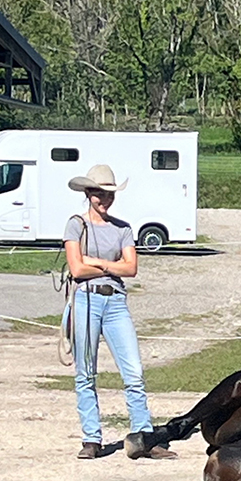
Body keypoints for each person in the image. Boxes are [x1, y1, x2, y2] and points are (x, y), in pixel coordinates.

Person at [63, 163, 176, 460]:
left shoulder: (123, 228)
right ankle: (91, 438)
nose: (105, 199)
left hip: (115, 301)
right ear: (88, 193)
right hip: (86, 300)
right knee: (85, 372)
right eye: (99, 194)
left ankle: (143, 436)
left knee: (134, 372)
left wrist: (98, 264)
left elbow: (132, 268)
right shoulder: (76, 224)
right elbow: (76, 268)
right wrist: (111, 267)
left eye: (109, 194)